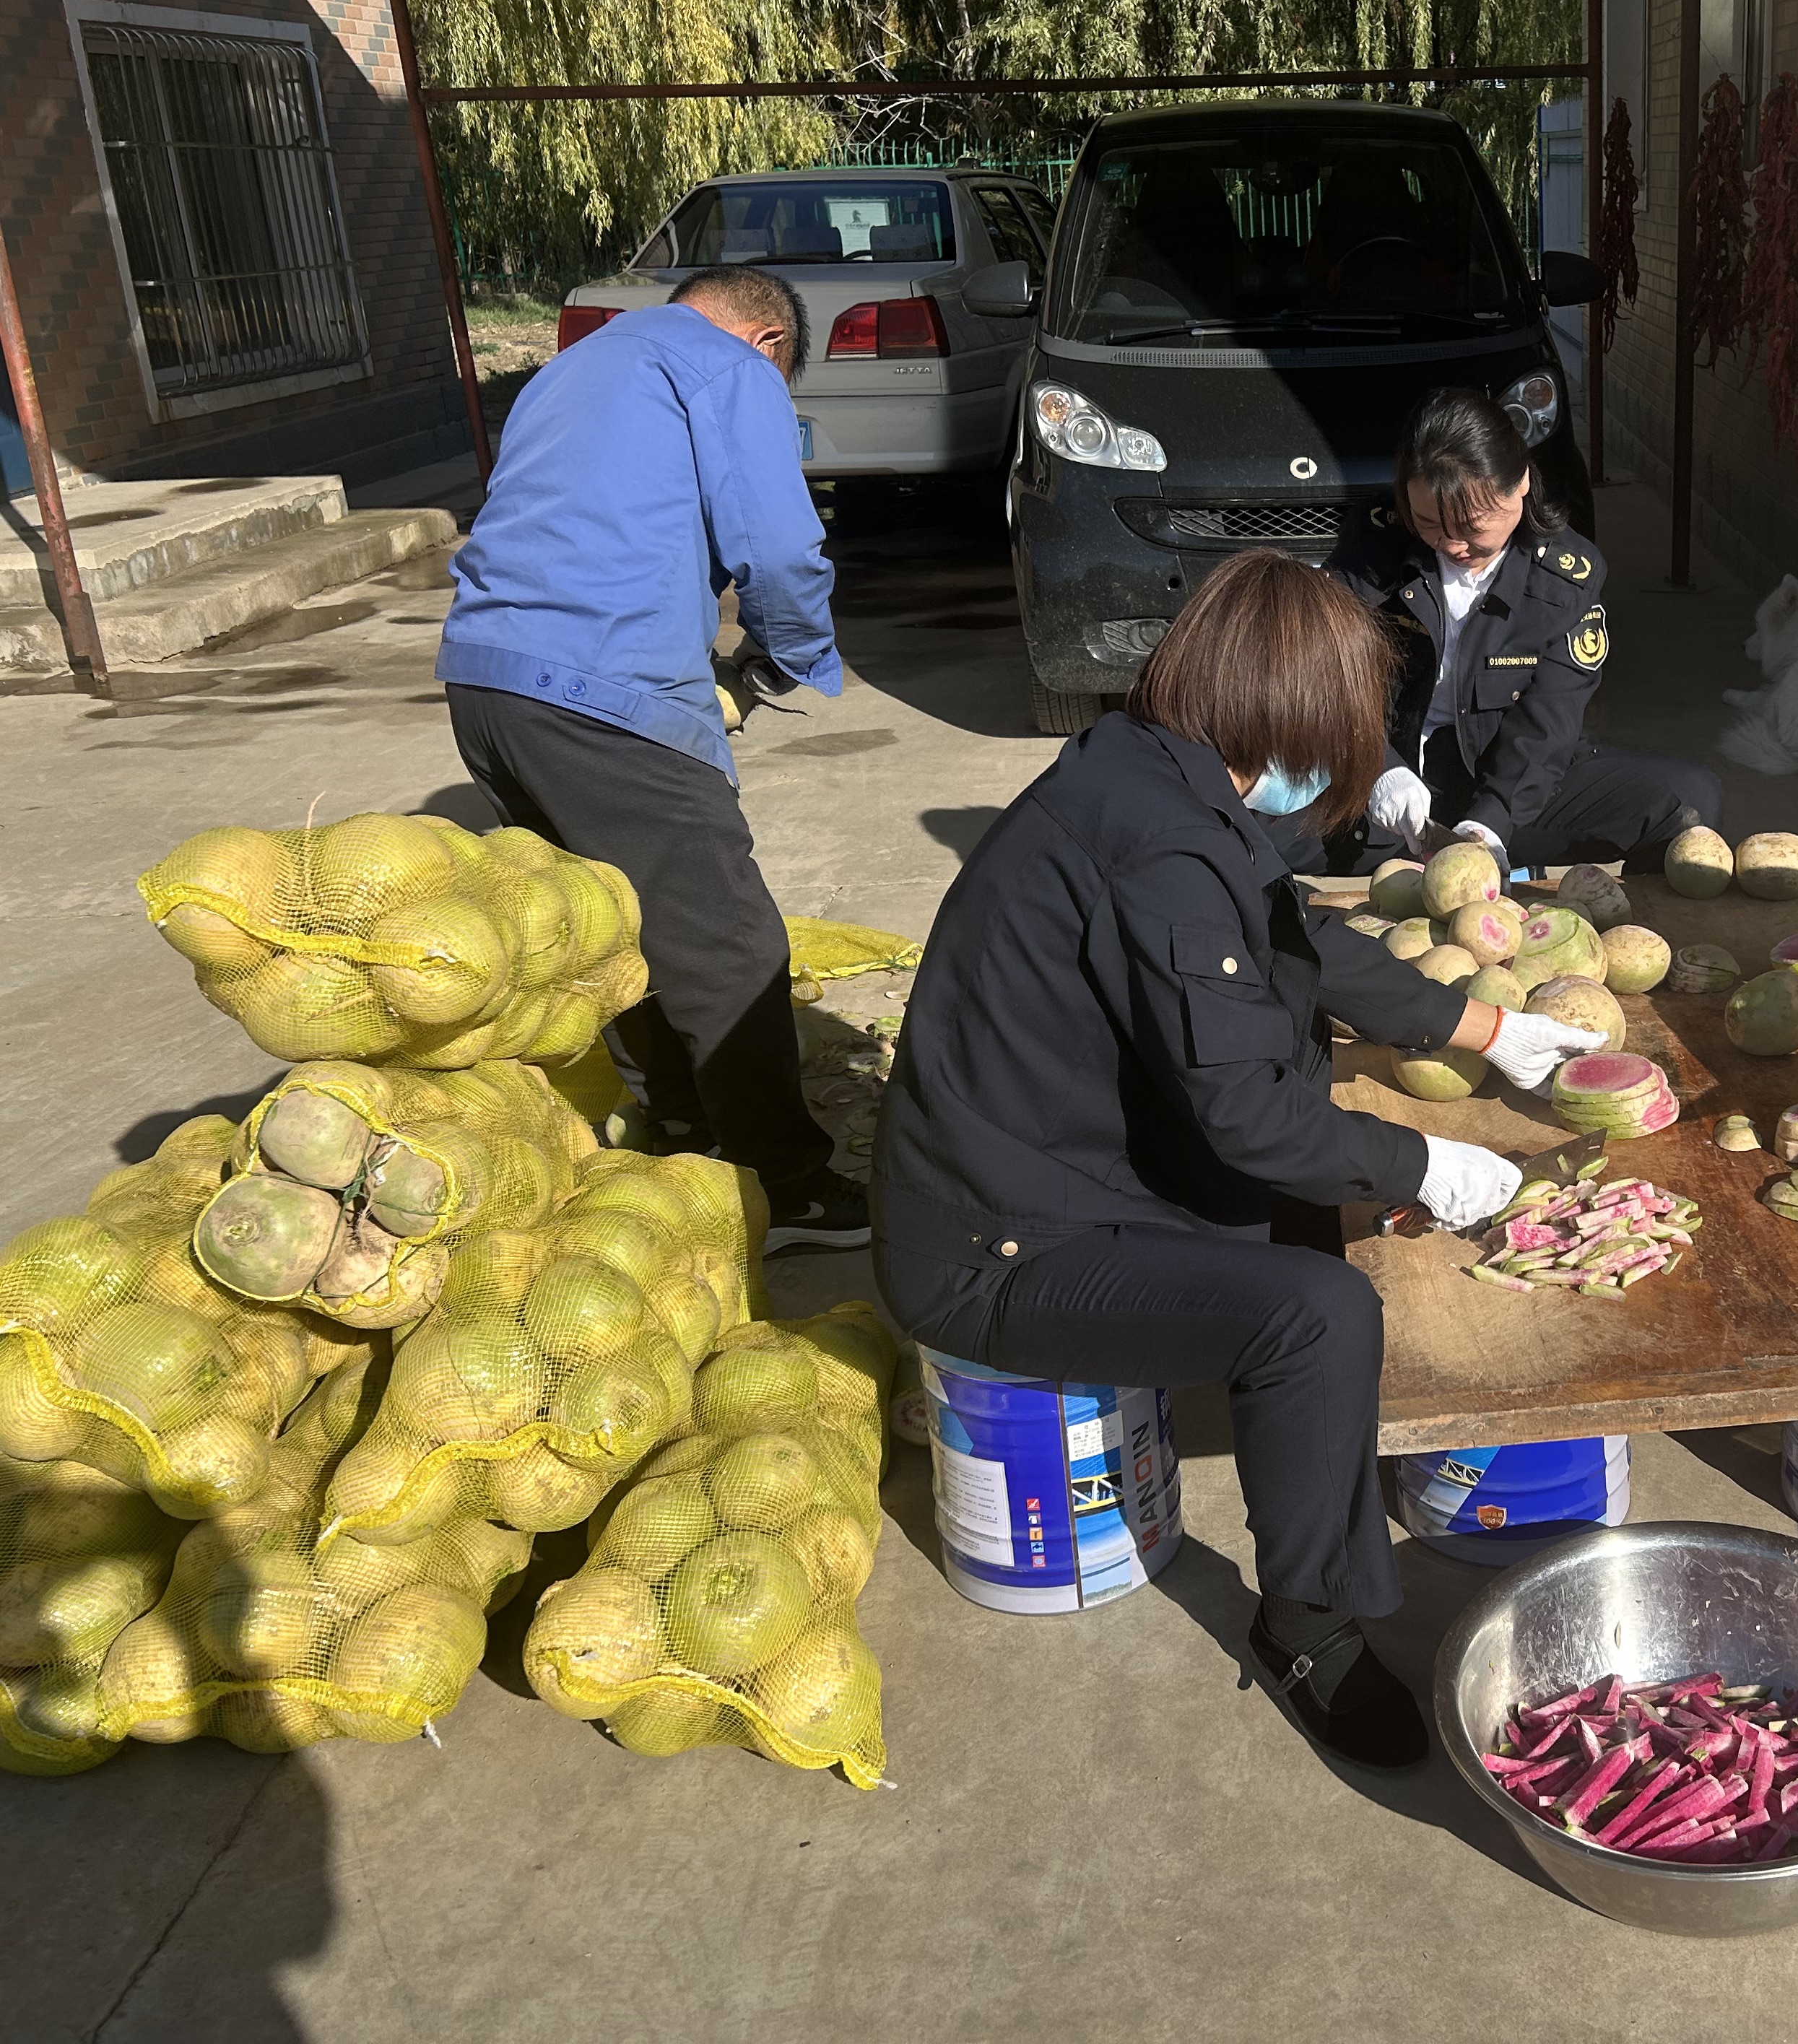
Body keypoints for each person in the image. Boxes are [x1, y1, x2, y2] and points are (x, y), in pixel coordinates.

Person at [870, 550, 1606, 1770]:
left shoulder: (1159, 772)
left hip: (1061, 1165)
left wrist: (1488, 1027)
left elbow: (1295, 934)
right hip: (993, 1248)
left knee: (1312, 1188)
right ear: (1290, 713)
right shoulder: (1156, 847)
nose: (1343, 762)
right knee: (1315, 1312)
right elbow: (1251, 1120)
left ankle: (1316, 1468)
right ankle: (1308, 1621)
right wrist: (1425, 1162)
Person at [436, 265, 869, 1253]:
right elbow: (778, 544)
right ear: (766, 341)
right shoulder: (729, 368)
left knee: (611, 924)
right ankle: (785, 1186)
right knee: (729, 943)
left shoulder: (575, 367)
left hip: (484, 680)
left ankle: (679, 1123)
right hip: (598, 686)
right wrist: (791, 655)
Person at [1267, 387, 1723, 881]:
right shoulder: (1374, 545)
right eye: (1429, 523)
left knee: (1687, 800)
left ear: (1520, 483)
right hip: (1384, 791)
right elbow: (1326, 673)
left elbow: (1548, 723)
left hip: (1508, 788)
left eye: (1471, 526)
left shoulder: (1565, 577)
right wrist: (1380, 769)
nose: (1453, 544)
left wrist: (1490, 826)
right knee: (1229, 813)